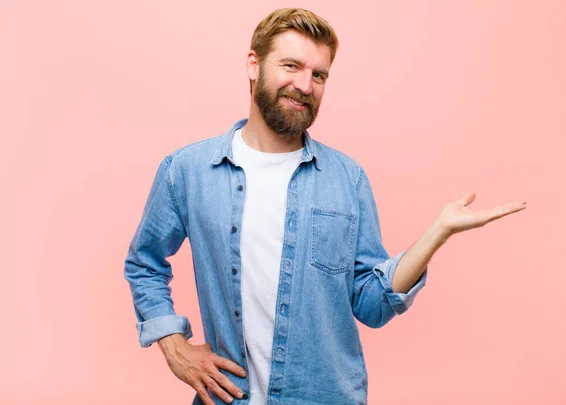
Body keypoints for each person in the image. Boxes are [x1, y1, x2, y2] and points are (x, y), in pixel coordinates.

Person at [124, 7, 527, 405]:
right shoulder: (188, 172)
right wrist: (173, 346)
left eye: (319, 75)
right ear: (253, 64)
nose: (305, 85)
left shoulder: (347, 179)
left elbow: (371, 304)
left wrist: (437, 233)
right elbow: (144, 263)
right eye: (291, 66)